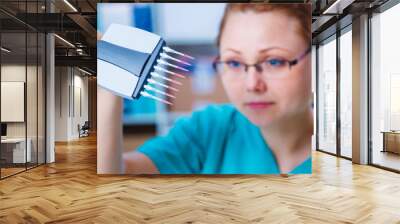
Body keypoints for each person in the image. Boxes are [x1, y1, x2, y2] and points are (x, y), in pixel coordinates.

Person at [98, 3, 313, 174]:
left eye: (274, 61)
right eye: (234, 63)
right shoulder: (209, 129)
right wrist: (109, 88)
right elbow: (117, 176)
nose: (251, 85)